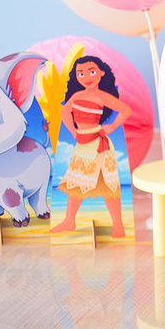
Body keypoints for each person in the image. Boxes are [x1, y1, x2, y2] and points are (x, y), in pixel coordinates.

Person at [51, 56, 131, 238]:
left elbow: (126, 109)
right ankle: (69, 220)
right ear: (76, 76)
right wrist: (72, 130)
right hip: (82, 143)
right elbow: (65, 111)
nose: (86, 76)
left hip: (98, 143)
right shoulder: (77, 96)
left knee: (108, 185)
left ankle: (118, 224)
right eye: (81, 73)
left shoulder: (102, 96)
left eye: (91, 71)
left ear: (101, 72)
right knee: (75, 182)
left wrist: (111, 126)